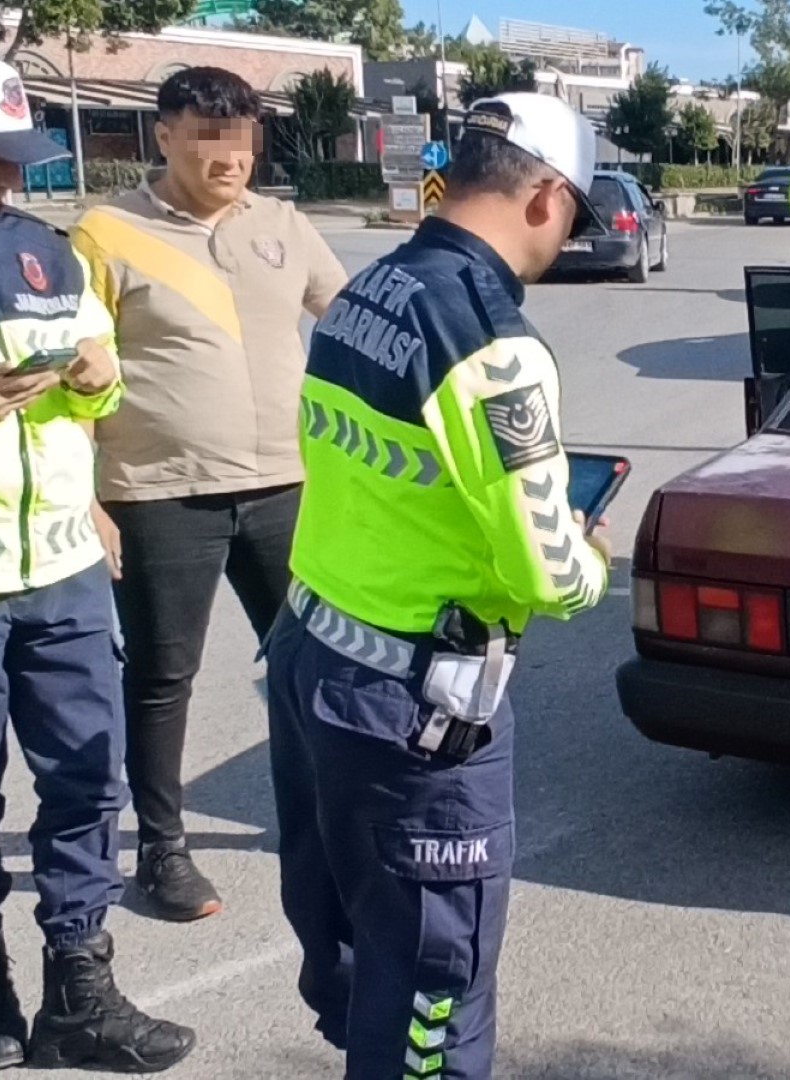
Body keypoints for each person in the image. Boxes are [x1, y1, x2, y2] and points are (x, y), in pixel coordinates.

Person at [263, 92, 613, 1078]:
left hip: (315, 654)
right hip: (415, 706)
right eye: (573, 221)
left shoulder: (372, 287)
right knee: (432, 988)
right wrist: (588, 558)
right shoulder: (489, 341)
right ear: (545, 198)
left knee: (358, 942)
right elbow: (548, 570)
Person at [0, 50, 195, 1073]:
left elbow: (96, 387)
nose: (13, 176)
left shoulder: (44, 249)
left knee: (85, 782)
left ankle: (82, 986)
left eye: (23, 155)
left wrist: (101, 379)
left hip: (63, 571)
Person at [68, 67, 347, 925]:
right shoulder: (107, 232)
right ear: (165, 136)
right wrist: (87, 498)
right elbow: (74, 375)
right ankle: (160, 851)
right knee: (162, 677)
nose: (228, 156)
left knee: (308, 665)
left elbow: (348, 319)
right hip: (160, 492)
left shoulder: (284, 224)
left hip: (286, 487)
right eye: (206, 136)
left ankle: (321, 821)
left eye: (241, 137)